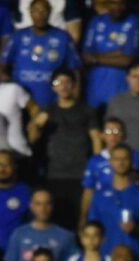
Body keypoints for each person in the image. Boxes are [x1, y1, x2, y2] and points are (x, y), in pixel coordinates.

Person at [26, 69, 101, 229]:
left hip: (80, 174)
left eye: (67, 82)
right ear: (53, 87)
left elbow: (96, 139)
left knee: (80, 220)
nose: (63, 86)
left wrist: (97, 167)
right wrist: (36, 124)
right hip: (55, 174)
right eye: (58, 83)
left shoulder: (87, 110)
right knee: (57, 220)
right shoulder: (48, 111)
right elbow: (32, 138)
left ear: (74, 85)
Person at [86, 143, 139, 261]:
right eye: (117, 159)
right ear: (111, 162)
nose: (121, 163)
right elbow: (93, 228)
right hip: (106, 259)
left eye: (125, 159)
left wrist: (136, 229)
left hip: (135, 259)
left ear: (131, 162)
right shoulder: (99, 195)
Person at [2, 0, 81, 109]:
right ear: (30, 12)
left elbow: (75, 70)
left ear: (50, 12)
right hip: (23, 104)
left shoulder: (63, 37)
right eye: (36, 11)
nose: (40, 15)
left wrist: (75, 96)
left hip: (54, 104)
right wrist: (12, 89)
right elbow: (2, 66)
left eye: (44, 10)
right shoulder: (18, 36)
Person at [3, 188, 78, 261]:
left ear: (52, 206)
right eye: (38, 204)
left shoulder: (65, 236)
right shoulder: (19, 234)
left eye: (47, 204)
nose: (43, 208)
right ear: (31, 206)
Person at [82, 0, 139, 110]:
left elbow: (127, 60)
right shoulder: (96, 21)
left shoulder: (134, 22)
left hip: (121, 92)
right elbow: (86, 56)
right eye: (113, 3)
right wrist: (118, 52)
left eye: (121, 3)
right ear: (107, 4)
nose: (117, 7)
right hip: (95, 92)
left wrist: (95, 58)